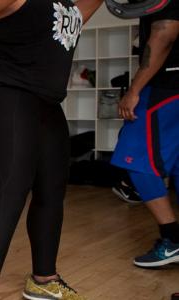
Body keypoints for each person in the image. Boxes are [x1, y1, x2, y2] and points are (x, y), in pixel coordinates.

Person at [0, 0, 105, 299]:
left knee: (52, 188)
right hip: (5, 90)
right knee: (12, 191)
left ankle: (43, 280)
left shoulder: (64, 5)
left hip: (45, 99)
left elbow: (81, 14)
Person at [111, 0, 178, 268]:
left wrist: (134, 89)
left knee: (134, 155)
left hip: (166, 87)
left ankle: (172, 239)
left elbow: (165, 33)